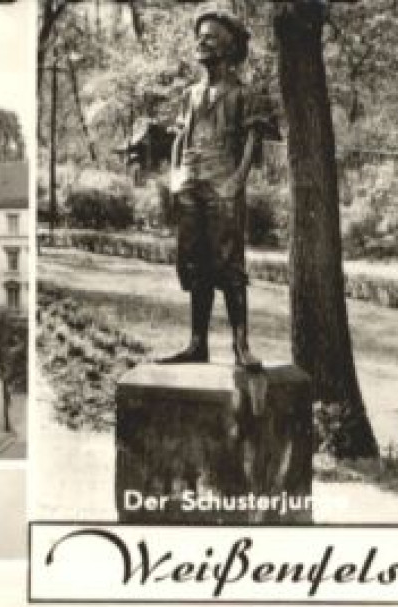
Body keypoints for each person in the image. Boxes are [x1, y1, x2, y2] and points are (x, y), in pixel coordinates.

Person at [157, 11, 276, 372]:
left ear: (229, 47)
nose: (201, 42)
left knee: (229, 265)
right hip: (191, 183)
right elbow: (180, 137)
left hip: (223, 182)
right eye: (200, 36)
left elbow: (253, 141)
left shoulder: (245, 95)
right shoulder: (190, 95)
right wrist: (176, 175)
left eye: (210, 37)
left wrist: (236, 182)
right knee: (194, 263)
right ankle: (198, 344)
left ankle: (241, 345)